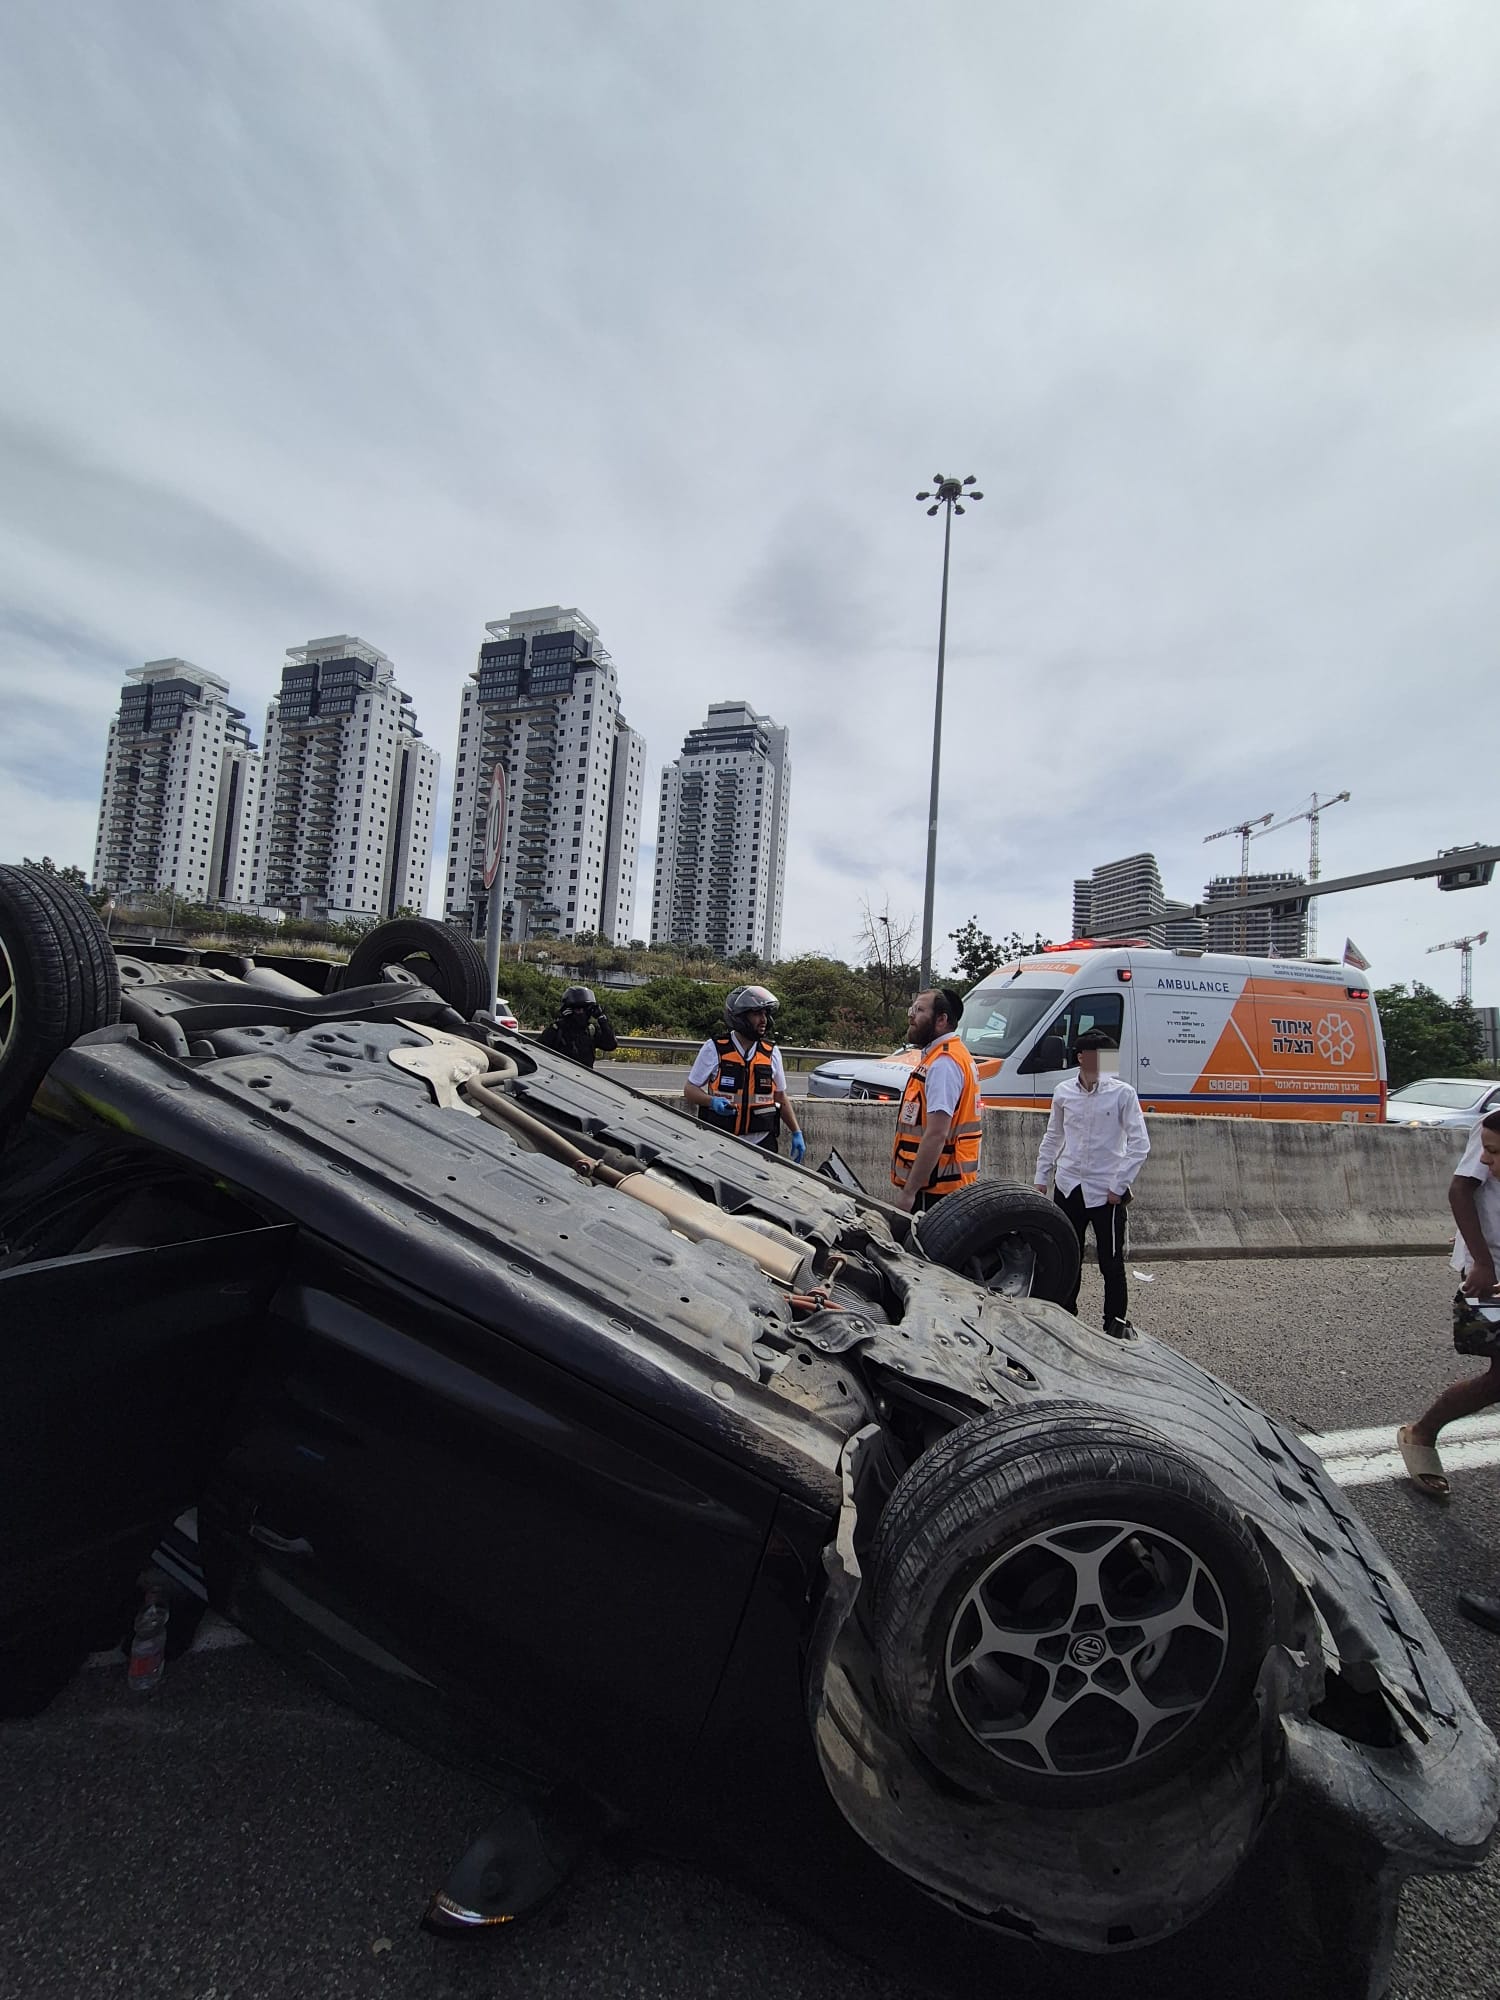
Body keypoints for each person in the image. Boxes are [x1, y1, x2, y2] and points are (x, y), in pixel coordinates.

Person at [1397, 1110, 1500, 1521]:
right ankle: (1421, 1434)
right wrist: (1481, 1261)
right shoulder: (1494, 1124)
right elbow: (1460, 1189)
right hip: (1490, 1259)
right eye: (1488, 1154)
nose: (1487, 1162)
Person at [1034, 1028, 1150, 1335]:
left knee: (1110, 1262)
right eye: (1098, 1057)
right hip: (1069, 1185)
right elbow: (1054, 1136)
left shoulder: (1123, 1093)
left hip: (1105, 1191)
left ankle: (1115, 1322)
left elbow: (1140, 1144)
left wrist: (1119, 1185)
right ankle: (1064, 1315)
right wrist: (1041, 1177)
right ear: (1081, 1057)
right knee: (1066, 1256)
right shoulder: (1063, 1092)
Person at [685, 984, 805, 1161]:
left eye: (765, 1014)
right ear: (740, 1017)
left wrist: (796, 1131)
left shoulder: (771, 1052)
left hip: (763, 1145)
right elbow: (690, 1090)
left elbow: (780, 1096)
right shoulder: (715, 1048)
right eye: (757, 1014)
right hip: (720, 1141)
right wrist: (712, 1102)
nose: (763, 1020)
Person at [890, 988, 982, 1213]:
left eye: (920, 1010)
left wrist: (909, 1192)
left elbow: (937, 1134)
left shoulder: (944, 1063)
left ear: (941, 1020)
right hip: (940, 1184)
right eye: (913, 1009)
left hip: (935, 1189)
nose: (911, 1016)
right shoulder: (944, 1055)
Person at [537, 986, 618, 1069]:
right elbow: (537, 1052)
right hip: (562, 1077)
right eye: (578, 1009)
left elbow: (610, 1045)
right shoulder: (556, 1030)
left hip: (584, 1078)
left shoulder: (591, 1031)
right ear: (569, 1010)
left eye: (585, 1009)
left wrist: (602, 1019)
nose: (582, 1013)